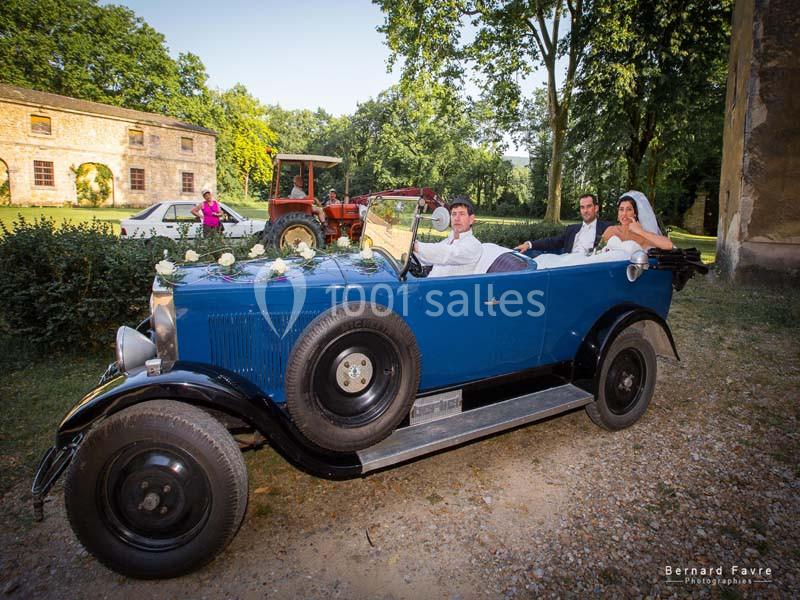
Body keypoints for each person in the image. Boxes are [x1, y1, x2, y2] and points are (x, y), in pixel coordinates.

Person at [515, 194, 611, 256]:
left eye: (589, 206)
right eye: (582, 207)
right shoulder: (572, 229)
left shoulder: (607, 228)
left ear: (596, 208)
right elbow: (552, 241)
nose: (585, 211)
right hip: (566, 266)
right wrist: (529, 244)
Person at [414, 196, 482, 277]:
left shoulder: (473, 245)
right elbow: (428, 258)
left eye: (462, 214)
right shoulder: (448, 241)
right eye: (454, 214)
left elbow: (447, 253)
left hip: (450, 289)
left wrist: (416, 246)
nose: (457, 218)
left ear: (471, 219)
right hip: (430, 284)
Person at [601, 191, 674, 250]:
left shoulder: (642, 236)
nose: (624, 213)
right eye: (621, 209)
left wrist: (640, 231)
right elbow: (599, 251)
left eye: (629, 209)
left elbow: (669, 245)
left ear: (635, 214)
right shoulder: (610, 230)